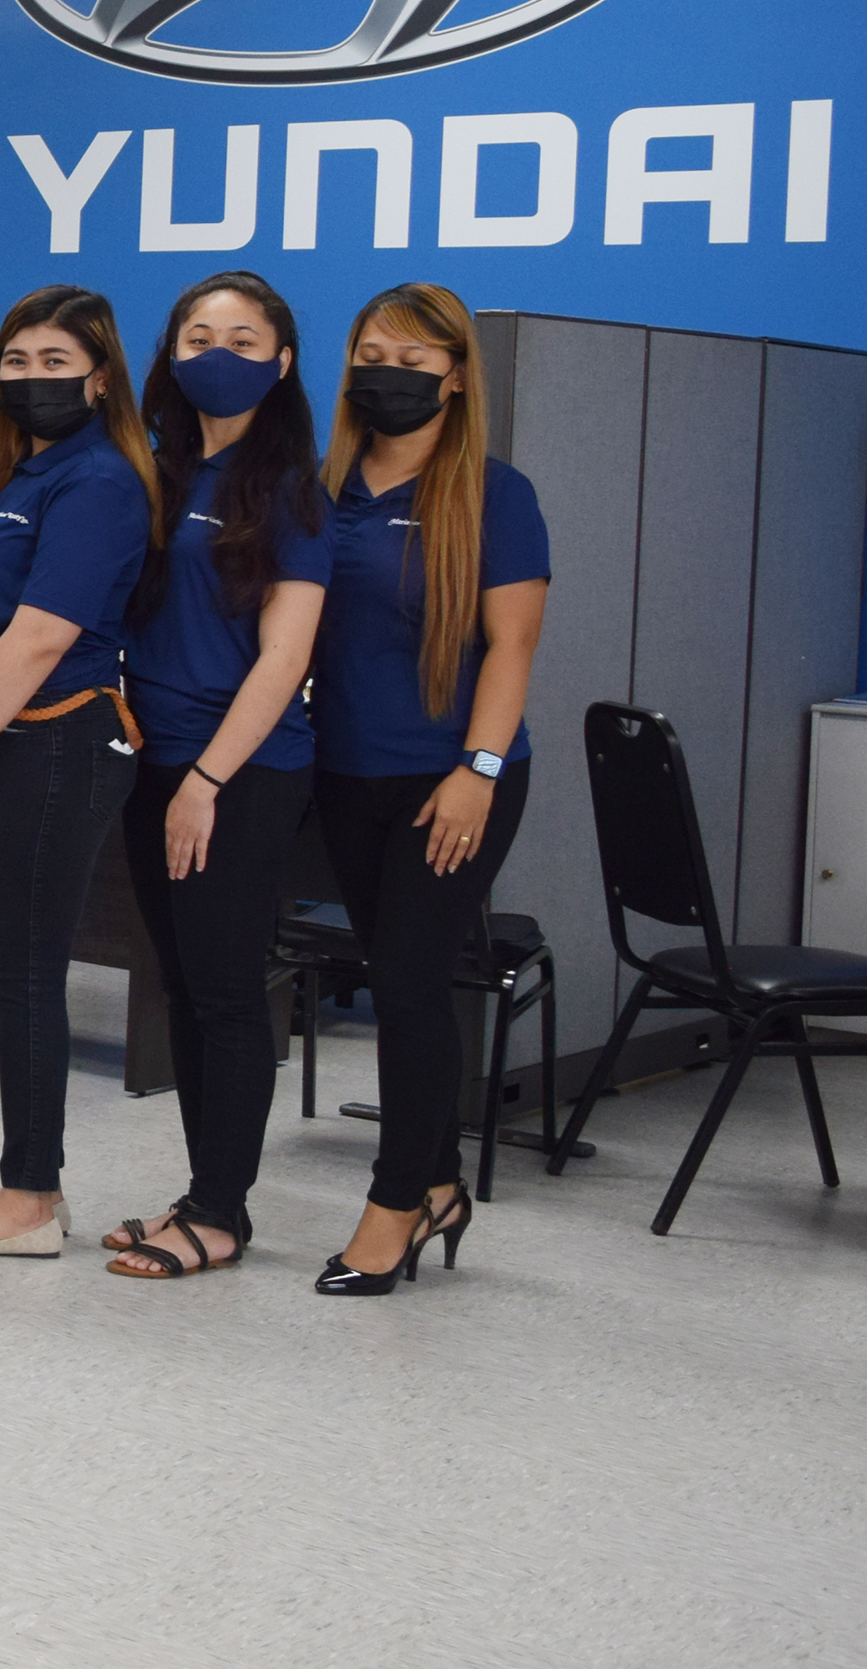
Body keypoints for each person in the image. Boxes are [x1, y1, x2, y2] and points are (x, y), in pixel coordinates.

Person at [0, 285, 163, 1258]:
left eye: (55, 362)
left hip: (53, 742)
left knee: (25, 976)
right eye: (15, 361)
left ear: (99, 379)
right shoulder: (10, 471)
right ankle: (27, 1182)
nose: (30, 378)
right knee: (11, 969)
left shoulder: (98, 481)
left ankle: (28, 1200)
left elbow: (43, 633)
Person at [305, 283, 547, 1295]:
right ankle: (442, 1183)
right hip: (343, 772)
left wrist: (475, 772)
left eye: (412, 359)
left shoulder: (494, 493)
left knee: (405, 984)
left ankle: (394, 1202)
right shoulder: (322, 489)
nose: (387, 374)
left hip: (451, 778)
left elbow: (512, 644)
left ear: (454, 377)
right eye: (372, 354)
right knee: (391, 970)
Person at [101, 272, 327, 1281]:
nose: (216, 354)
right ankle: (201, 1191)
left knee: (227, 991)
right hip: (152, 765)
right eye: (197, 335)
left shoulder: (289, 492)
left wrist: (204, 778)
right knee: (185, 986)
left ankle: (222, 1211)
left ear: (281, 363)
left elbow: (284, 658)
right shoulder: (153, 472)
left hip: (237, 774)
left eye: (241, 339)